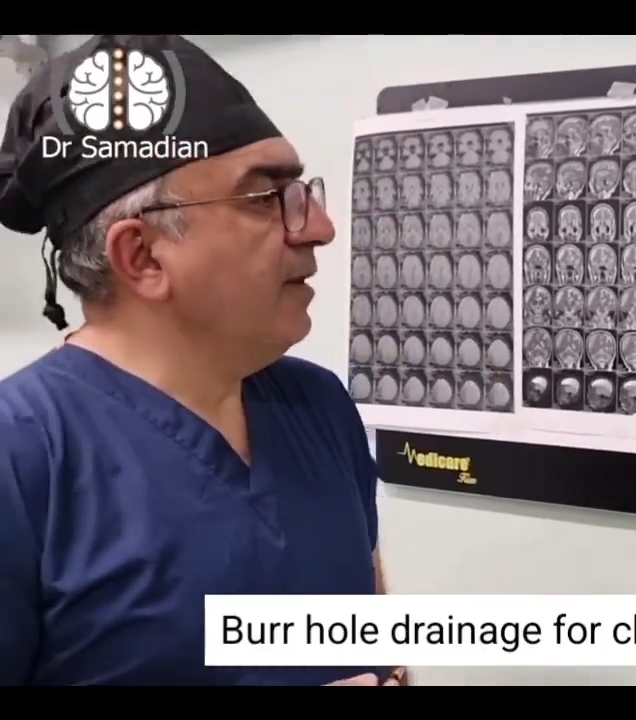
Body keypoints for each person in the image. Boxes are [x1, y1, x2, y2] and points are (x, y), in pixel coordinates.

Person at [0, 35, 404, 686]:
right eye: (264, 199)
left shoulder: (318, 408)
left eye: (301, 190)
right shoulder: (22, 459)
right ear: (143, 257)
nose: (319, 227)